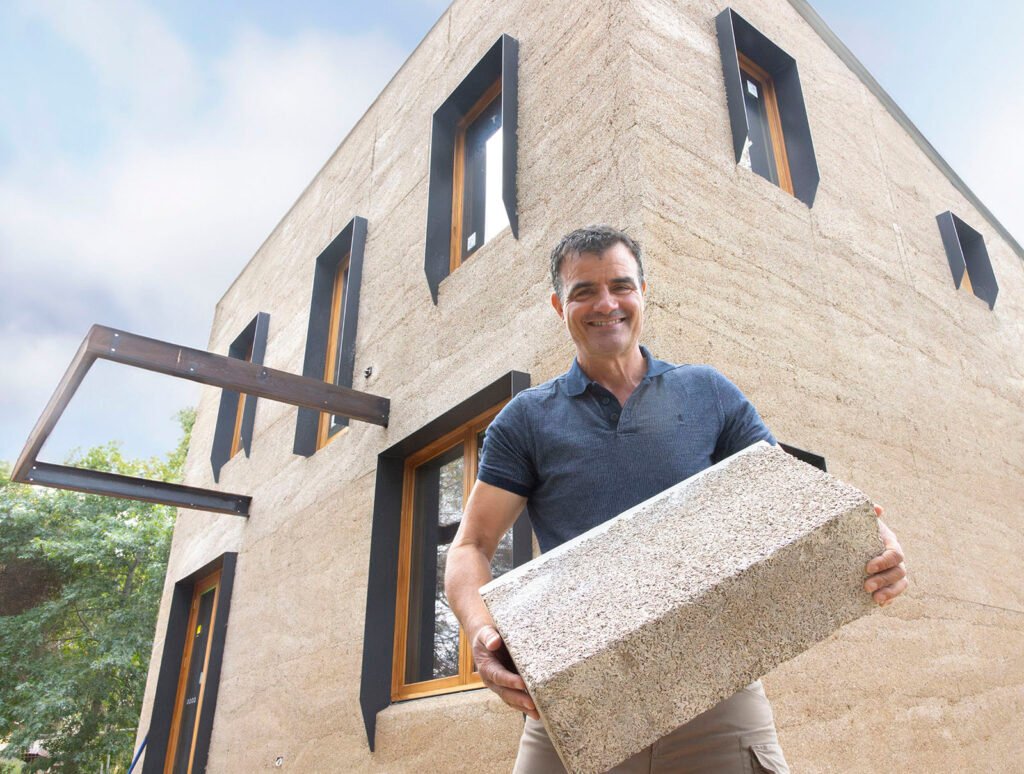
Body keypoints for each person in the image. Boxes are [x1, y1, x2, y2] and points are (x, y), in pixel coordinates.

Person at [444, 225, 908, 773]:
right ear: (557, 305)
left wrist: (873, 539)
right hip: (578, 698)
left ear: (644, 292)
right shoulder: (526, 419)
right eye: (583, 291)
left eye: (621, 285)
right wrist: (479, 632)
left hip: (720, 683)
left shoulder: (707, 391)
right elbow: (471, 545)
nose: (606, 304)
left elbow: (793, 496)